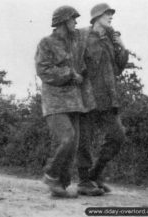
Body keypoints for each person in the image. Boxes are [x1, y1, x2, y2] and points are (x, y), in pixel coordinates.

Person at [35, 5, 101, 198]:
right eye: (73, 19)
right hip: (54, 102)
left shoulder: (76, 41)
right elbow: (44, 71)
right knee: (68, 138)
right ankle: (51, 175)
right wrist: (70, 74)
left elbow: (90, 33)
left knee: (73, 144)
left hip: (75, 102)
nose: (75, 22)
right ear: (63, 21)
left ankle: (60, 186)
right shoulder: (46, 43)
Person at [77, 3, 129, 195]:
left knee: (118, 136)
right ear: (97, 16)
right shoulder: (82, 36)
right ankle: (84, 182)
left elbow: (118, 67)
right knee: (85, 140)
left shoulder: (109, 40)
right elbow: (74, 62)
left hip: (108, 98)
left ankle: (95, 175)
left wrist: (121, 45)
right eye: (107, 14)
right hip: (88, 97)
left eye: (111, 15)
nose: (111, 17)